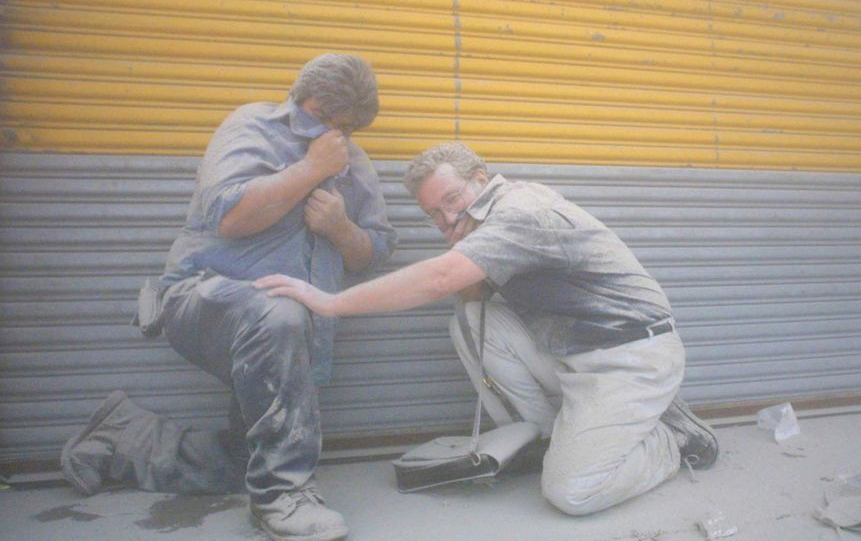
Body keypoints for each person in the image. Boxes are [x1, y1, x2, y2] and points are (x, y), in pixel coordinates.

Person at [255, 142, 717, 516]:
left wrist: (331, 302)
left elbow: (438, 279)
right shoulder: (486, 222)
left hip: (629, 356)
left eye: (452, 200)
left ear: (481, 180)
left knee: (572, 493)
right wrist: (467, 244)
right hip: (575, 353)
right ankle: (549, 437)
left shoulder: (522, 213)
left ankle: (671, 437)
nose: (447, 219)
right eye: (434, 214)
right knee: (473, 321)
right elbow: (469, 298)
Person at [60, 54, 397, 541]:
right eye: (325, 119)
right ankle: (282, 496)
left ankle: (118, 438)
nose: (334, 134)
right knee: (280, 308)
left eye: (346, 128)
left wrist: (341, 229)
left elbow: (376, 251)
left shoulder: (353, 162)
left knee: (244, 458)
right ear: (303, 98)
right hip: (203, 300)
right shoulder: (252, 126)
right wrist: (310, 169)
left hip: (289, 332)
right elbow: (229, 218)